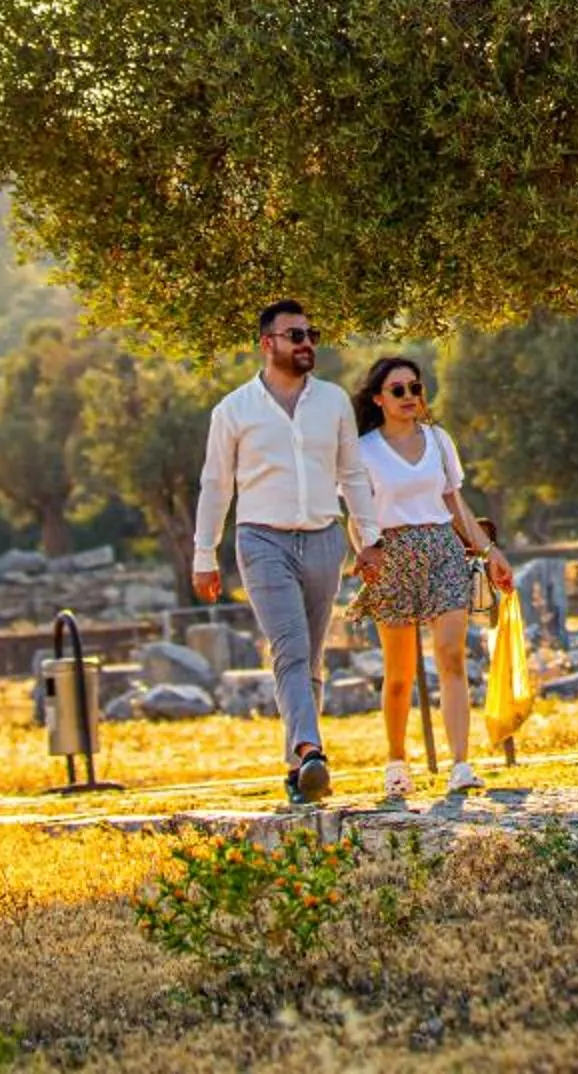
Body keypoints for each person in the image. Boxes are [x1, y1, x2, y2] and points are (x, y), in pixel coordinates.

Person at [192, 299, 386, 804]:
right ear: (268, 343)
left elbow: (353, 474)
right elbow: (216, 485)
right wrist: (203, 553)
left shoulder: (333, 402)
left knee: (310, 658)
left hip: (324, 538)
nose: (306, 344)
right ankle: (310, 748)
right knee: (291, 649)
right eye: (295, 335)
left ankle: (299, 768)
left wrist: (370, 539)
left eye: (311, 335)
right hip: (262, 540)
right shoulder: (233, 410)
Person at [350, 352, 513, 799]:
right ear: (379, 398)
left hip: (442, 548)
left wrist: (490, 551)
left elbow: (455, 505)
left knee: (451, 655)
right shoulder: (363, 451)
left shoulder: (439, 441)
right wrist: (365, 551)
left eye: (415, 388)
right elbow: (357, 514)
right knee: (400, 671)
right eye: (398, 390)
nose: (409, 396)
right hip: (391, 554)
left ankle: (461, 763)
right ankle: (396, 761)